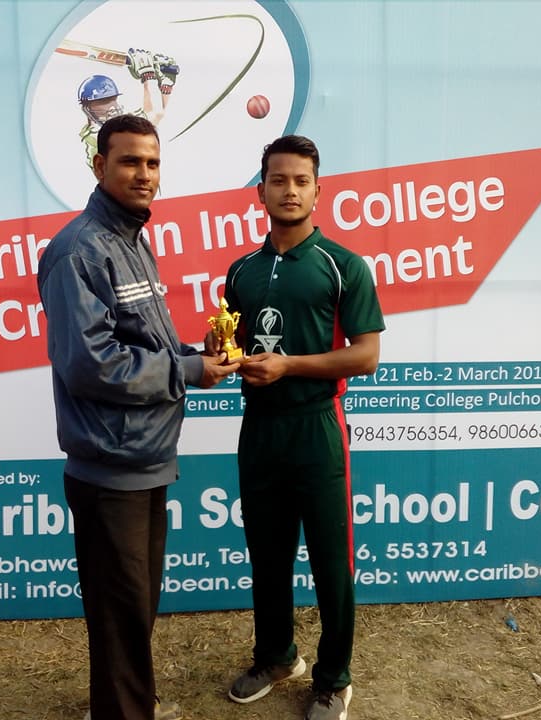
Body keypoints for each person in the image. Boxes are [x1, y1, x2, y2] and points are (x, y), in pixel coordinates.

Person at [37, 113, 237, 720]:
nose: (143, 174)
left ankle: (125, 704)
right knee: (122, 616)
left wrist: (195, 355)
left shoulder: (131, 240)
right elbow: (92, 366)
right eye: (129, 161)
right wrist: (189, 372)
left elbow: (141, 345)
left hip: (147, 460)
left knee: (134, 611)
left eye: (152, 163)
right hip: (109, 471)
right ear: (99, 166)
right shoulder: (78, 251)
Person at [215, 135, 385, 720]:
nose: (289, 190)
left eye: (301, 181)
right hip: (259, 428)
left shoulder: (344, 266)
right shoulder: (240, 271)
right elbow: (231, 348)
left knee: (331, 563)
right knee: (266, 553)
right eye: (278, 180)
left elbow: (365, 356)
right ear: (260, 189)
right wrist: (221, 361)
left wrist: (290, 366)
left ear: (317, 188)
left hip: (317, 427)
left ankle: (334, 677)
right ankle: (275, 656)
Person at [77, 48, 178, 168]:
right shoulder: (96, 136)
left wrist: (165, 84)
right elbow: (153, 115)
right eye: (103, 102)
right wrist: (147, 74)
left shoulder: (119, 126)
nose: (111, 108)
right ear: (87, 109)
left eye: (112, 100)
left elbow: (157, 113)